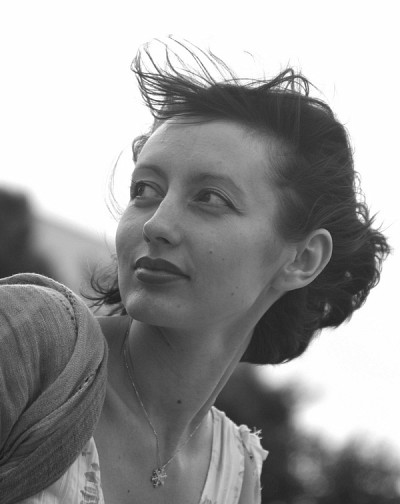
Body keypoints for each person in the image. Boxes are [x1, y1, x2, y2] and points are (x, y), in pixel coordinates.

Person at [0, 38, 390, 504]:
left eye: (210, 198)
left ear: (302, 259)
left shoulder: (236, 474)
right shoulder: (28, 338)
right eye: (145, 189)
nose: (156, 224)